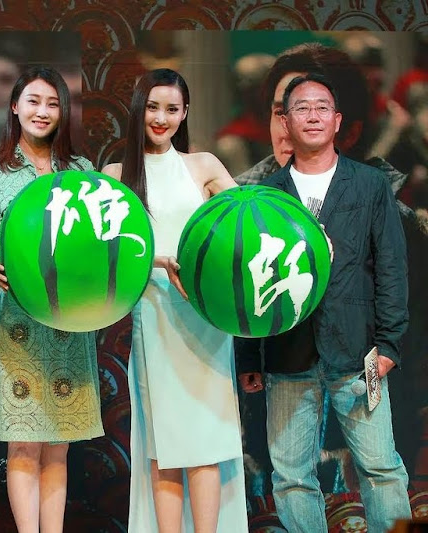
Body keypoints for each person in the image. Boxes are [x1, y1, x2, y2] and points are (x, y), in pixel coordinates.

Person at [237, 73, 412, 533]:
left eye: (321, 107)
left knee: (382, 469)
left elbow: (391, 267)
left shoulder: (370, 185)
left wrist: (389, 345)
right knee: (292, 477)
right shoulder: (266, 196)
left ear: (337, 121)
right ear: (284, 121)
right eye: (301, 108)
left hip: (358, 353)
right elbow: (248, 281)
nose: (312, 116)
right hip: (286, 354)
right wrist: (248, 356)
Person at [100, 68, 246, 533]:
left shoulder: (203, 164)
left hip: (204, 319)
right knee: (162, 446)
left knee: (205, 441)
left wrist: (306, 235)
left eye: (172, 109)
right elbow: (106, 255)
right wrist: (155, 262)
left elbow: (247, 226)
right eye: (152, 107)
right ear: (138, 109)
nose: (161, 118)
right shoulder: (115, 175)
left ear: (185, 114)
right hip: (154, 315)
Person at [0, 66, 104, 533]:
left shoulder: (82, 172)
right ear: (15, 107)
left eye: (52, 103)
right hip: (20, 322)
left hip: (71, 321)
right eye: (33, 101)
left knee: (59, 445)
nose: (42, 111)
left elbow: (99, 241)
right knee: (23, 443)